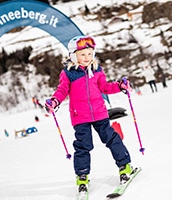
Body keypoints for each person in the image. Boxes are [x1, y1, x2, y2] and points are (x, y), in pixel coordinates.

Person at [44, 35, 134, 194]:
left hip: (100, 113)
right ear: (73, 55)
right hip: (80, 117)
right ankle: (82, 177)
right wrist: (55, 101)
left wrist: (119, 86)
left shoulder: (97, 71)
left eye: (90, 53)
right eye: (82, 54)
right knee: (83, 146)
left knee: (112, 138)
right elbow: (62, 91)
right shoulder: (68, 73)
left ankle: (125, 166)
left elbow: (105, 88)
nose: (87, 57)